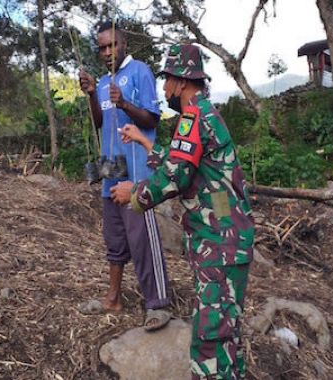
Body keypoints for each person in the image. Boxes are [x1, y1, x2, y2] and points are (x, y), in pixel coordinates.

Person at [111, 44, 255, 379]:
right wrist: (146, 143)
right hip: (228, 241)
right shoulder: (205, 114)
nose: (164, 90)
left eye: (167, 82)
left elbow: (176, 176)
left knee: (210, 341)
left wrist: (135, 193)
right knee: (226, 337)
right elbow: (187, 167)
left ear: (180, 82)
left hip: (218, 245)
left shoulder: (193, 116)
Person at [78, 21, 171, 330]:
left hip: (137, 172)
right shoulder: (104, 81)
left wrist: (125, 102)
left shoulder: (141, 72)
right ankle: (113, 299)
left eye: (112, 45)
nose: (107, 52)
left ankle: (157, 304)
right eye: (102, 47)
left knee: (142, 239)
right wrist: (93, 93)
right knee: (115, 240)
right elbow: (99, 122)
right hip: (111, 168)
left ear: (124, 44)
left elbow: (153, 119)